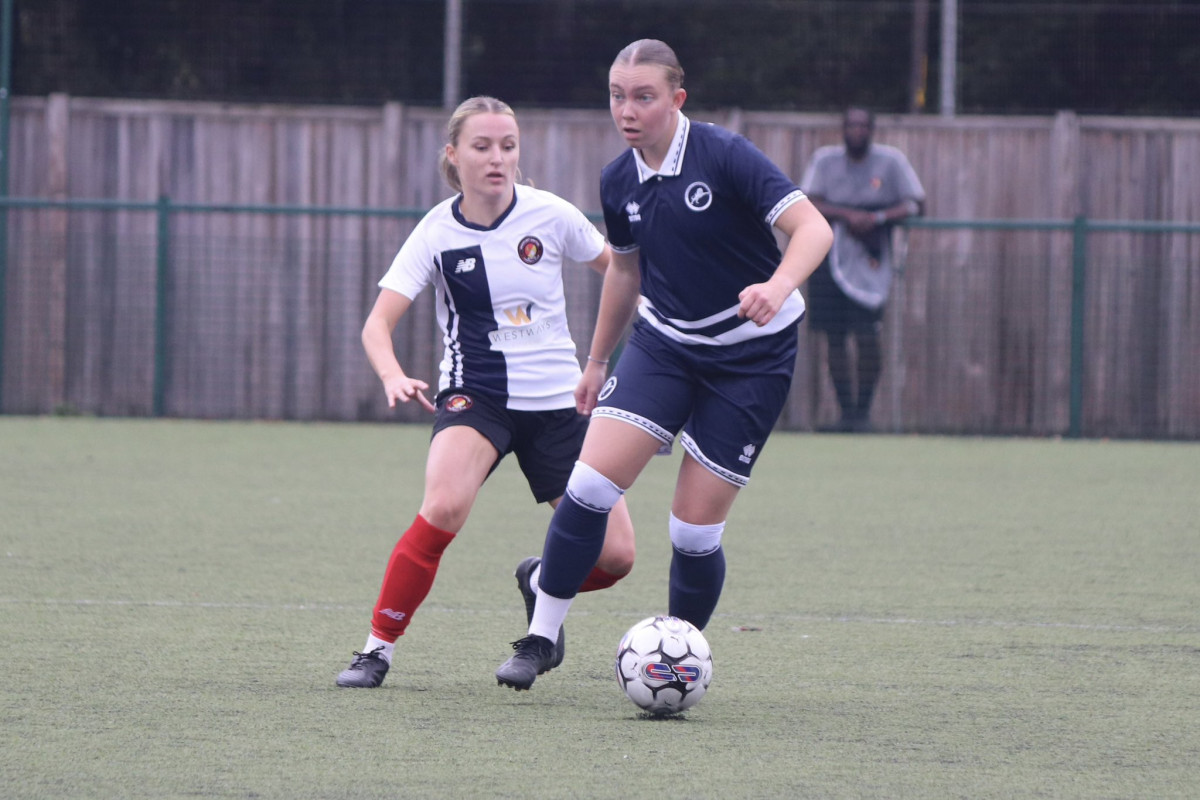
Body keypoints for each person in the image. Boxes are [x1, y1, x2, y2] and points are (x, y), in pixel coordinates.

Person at [494, 39, 833, 691]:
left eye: (644, 96)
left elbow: (814, 229)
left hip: (752, 360)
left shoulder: (724, 154)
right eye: (618, 95)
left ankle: (677, 660)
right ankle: (540, 636)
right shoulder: (619, 178)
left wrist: (779, 285)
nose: (628, 109)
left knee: (693, 534)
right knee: (590, 486)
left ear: (676, 100)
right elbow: (624, 271)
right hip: (665, 346)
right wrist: (595, 362)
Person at [336, 96, 635, 688]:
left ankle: (541, 578)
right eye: (482, 146)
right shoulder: (437, 232)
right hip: (476, 397)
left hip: (559, 405)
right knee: (443, 506)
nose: (498, 158)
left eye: (508, 146)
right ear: (454, 155)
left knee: (616, 557)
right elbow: (377, 324)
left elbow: (625, 274)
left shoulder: (552, 215)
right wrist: (393, 374)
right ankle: (376, 651)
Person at [799, 107, 925, 432]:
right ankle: (846, 415)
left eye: (863, 125)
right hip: (829, 251)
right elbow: (807, 201)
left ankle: (863, 413)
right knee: (834, 337)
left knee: (868, 336)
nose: (856, 131)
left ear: (872, 129)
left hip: (871, 255)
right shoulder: (824, 161)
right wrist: (847, 216)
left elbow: (916, 203)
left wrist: (876, 219)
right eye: (851, 125)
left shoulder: (891, 161)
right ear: (843, 129)